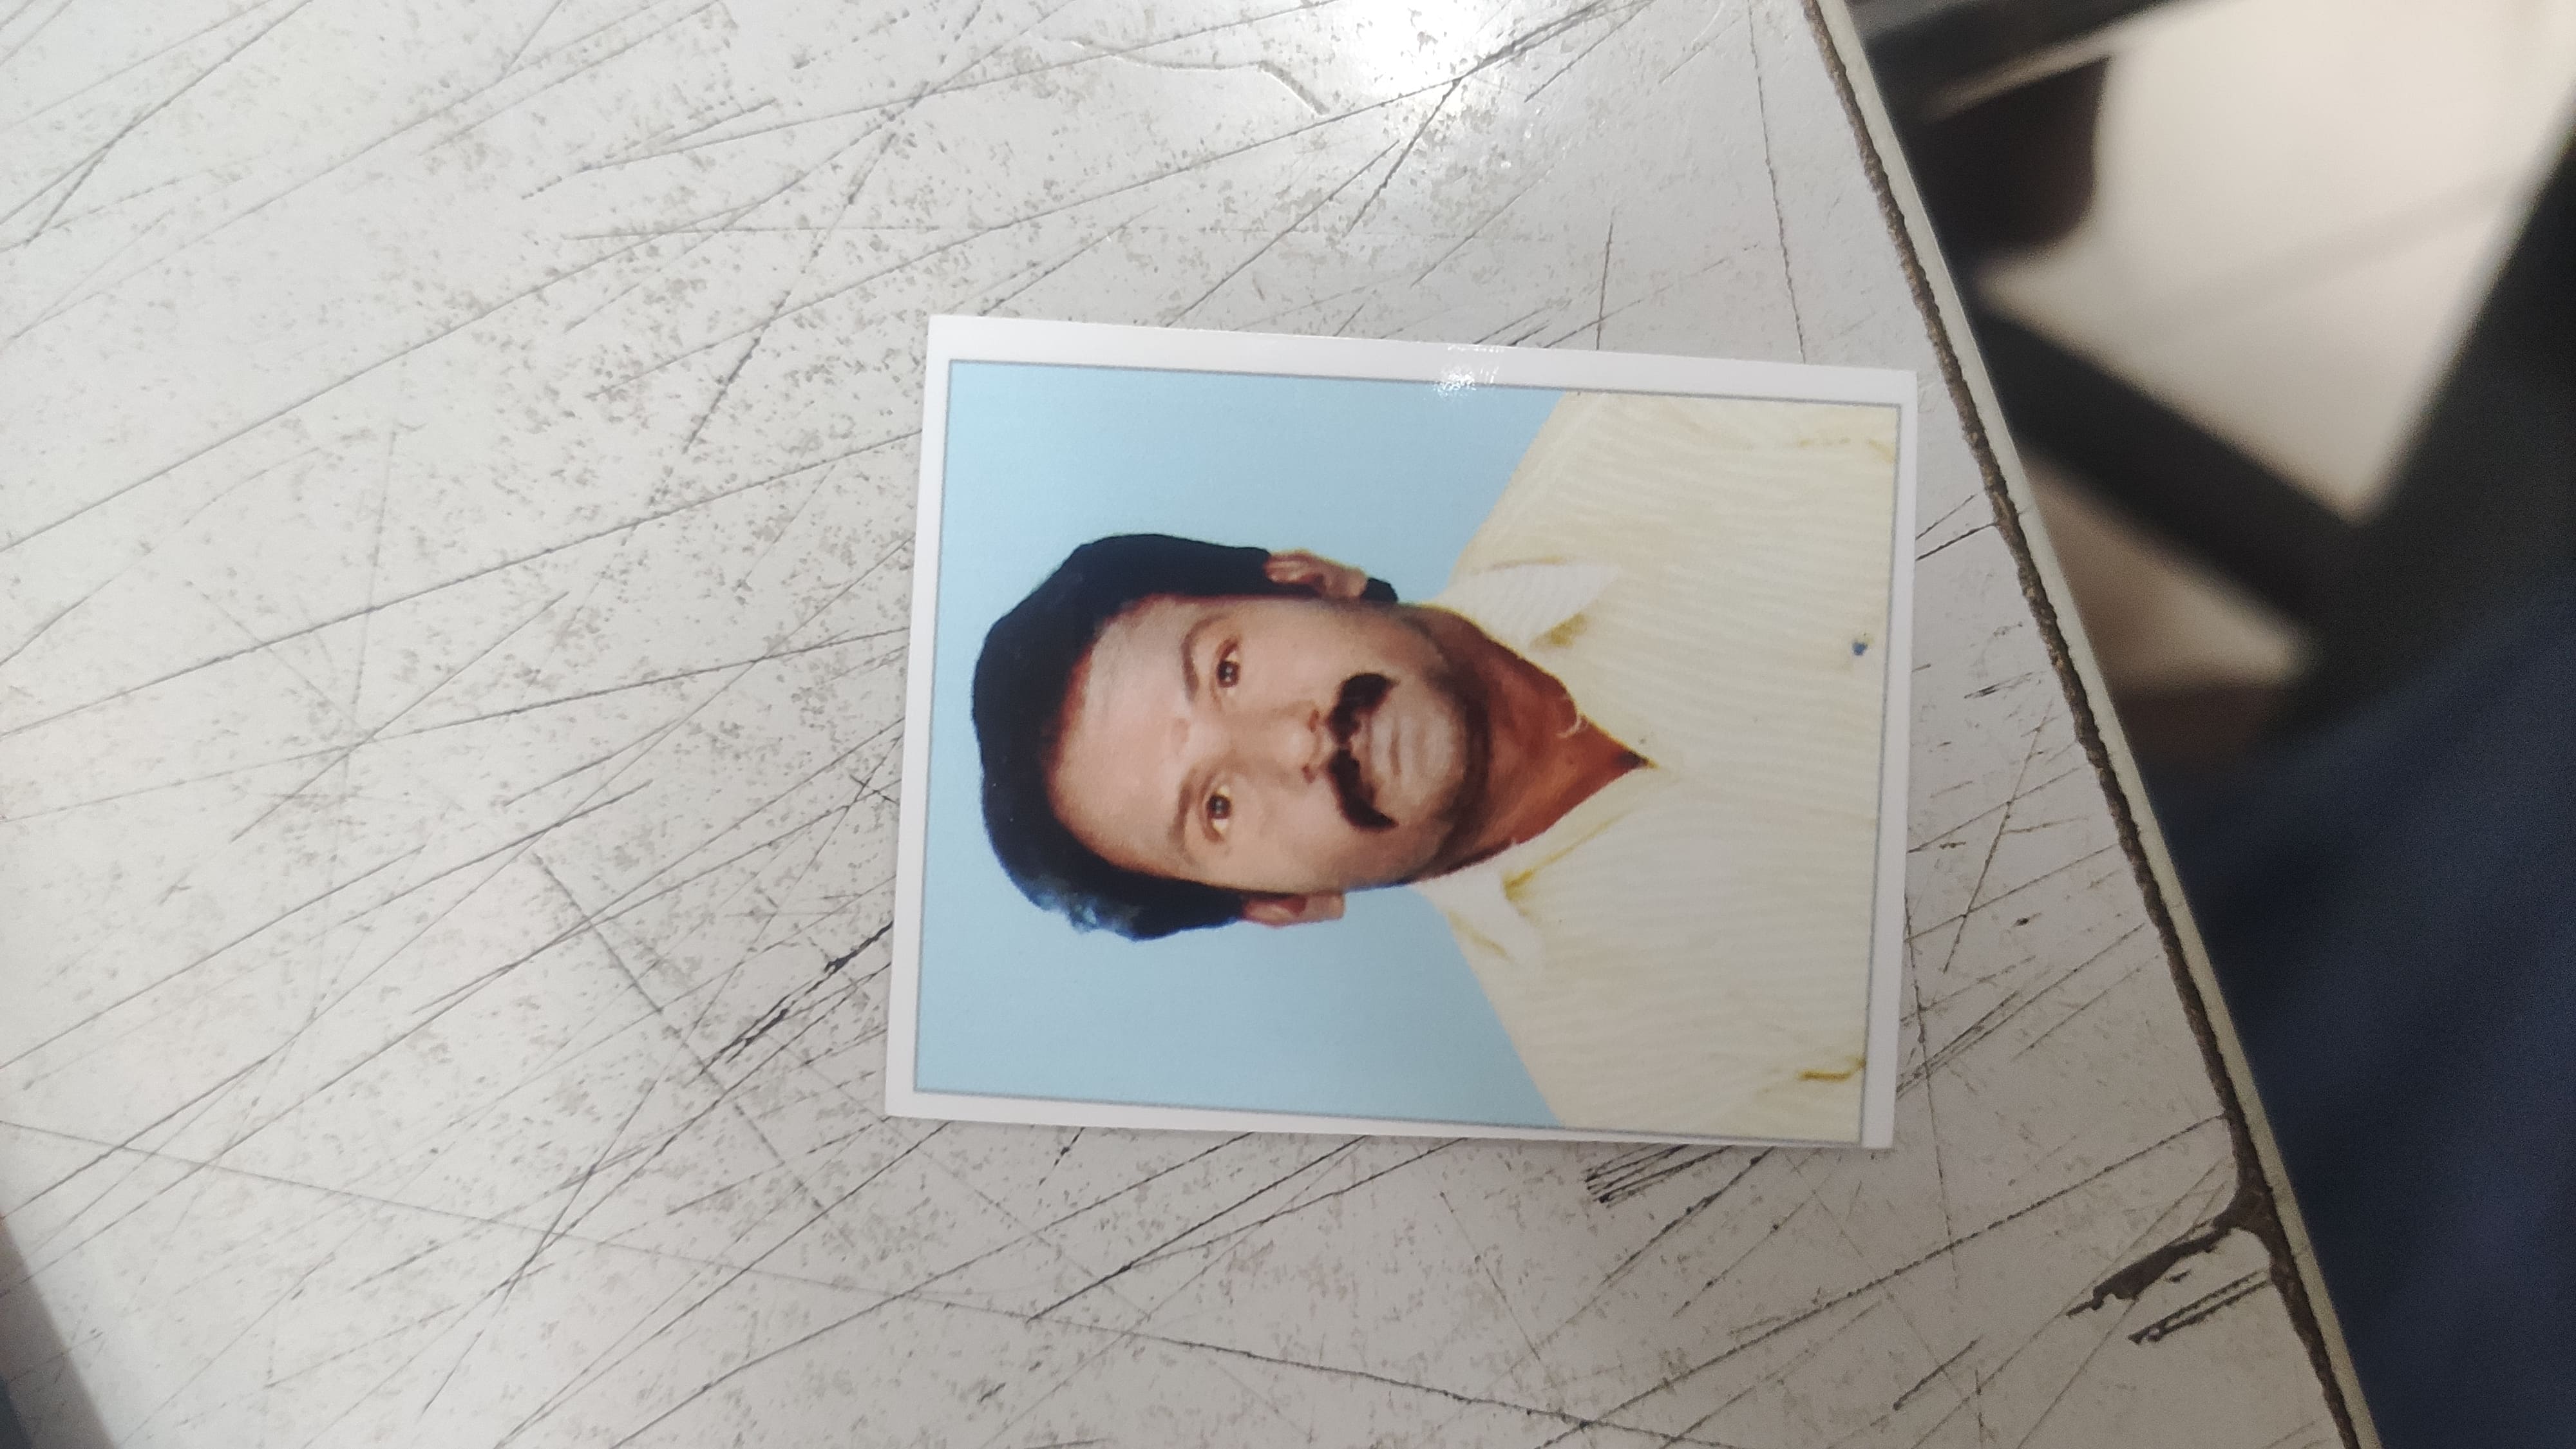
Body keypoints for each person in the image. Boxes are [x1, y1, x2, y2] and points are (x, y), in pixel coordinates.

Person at [972, 392, 1900, 1139]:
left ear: (1311, 579)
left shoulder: (1663, 427)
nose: (1294, 744)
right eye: (1217, 807)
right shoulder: (1636, 1086)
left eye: (1227, 670)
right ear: (1283, 905)